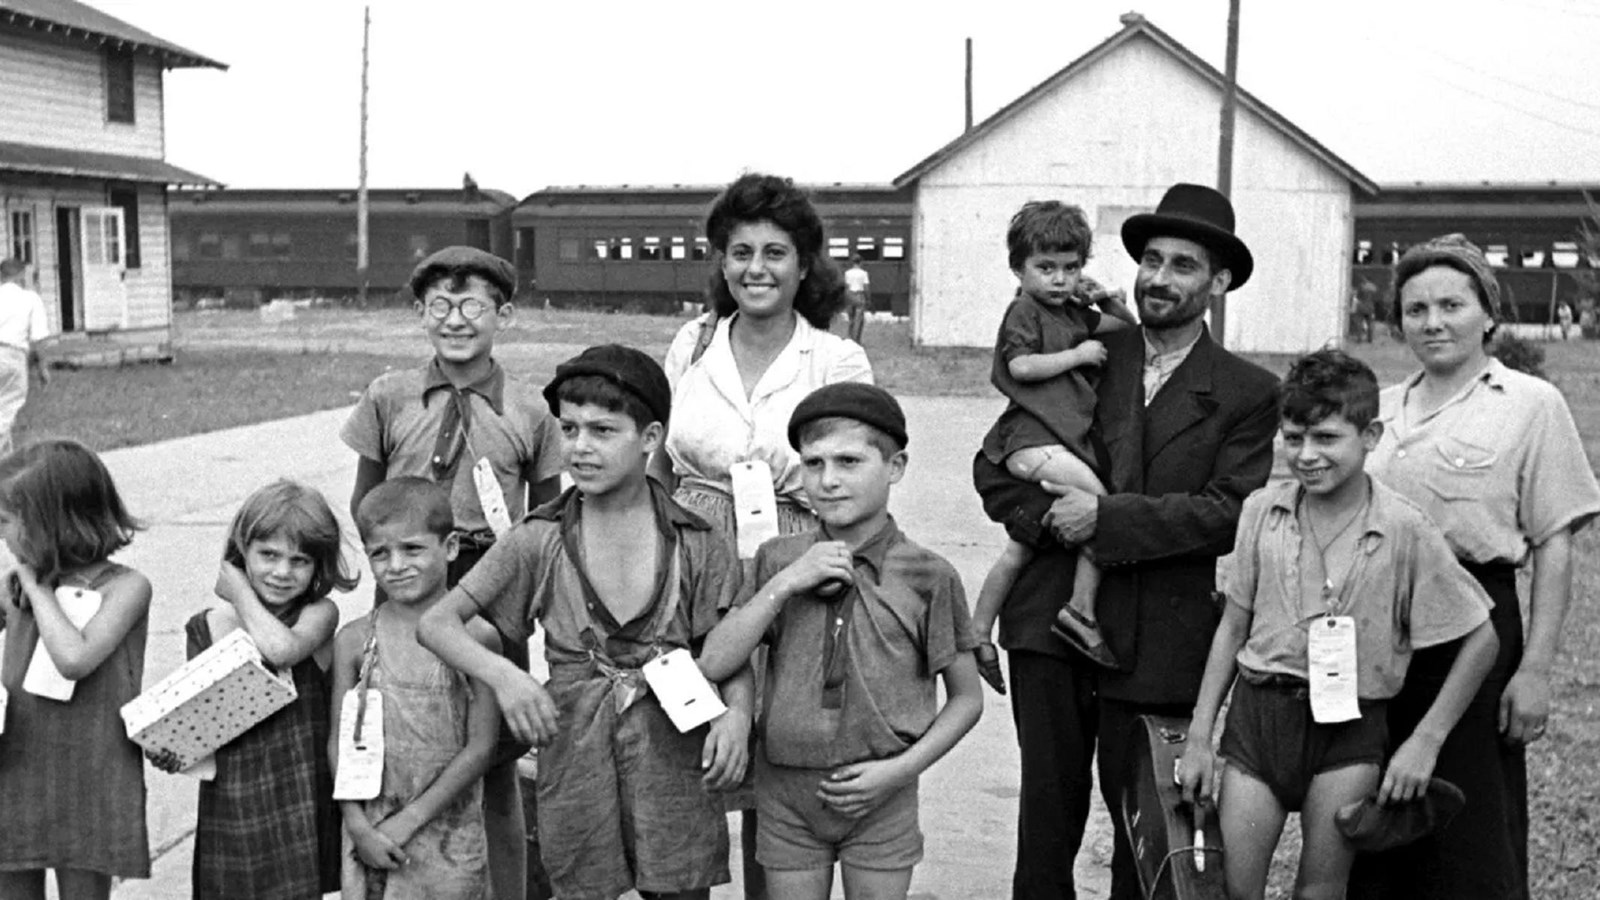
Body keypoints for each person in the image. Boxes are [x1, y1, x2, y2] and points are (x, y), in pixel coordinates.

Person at [972, 182, 1279, 900]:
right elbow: (997, 465)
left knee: (1147, 834)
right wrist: (1048, 517)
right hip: (1050, 622)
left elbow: (1226, 511)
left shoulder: (1247, 391)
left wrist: (1103, 521)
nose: (1159, 279)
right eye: (1150, 261)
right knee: (1046, 820)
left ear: (1220, 281)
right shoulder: (1087, 350)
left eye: (1182, 266)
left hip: (1160, 636)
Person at [419, 345, 752, 900]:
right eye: (569, 429)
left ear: (650, 438)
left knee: (680, 885)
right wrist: (508, 678)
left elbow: (724, 645)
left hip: (673, 753)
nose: (581, 448)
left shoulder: (697, 540)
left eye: (603, 430)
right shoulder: (540, 537)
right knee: (580, 885)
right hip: (574, 750)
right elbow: (438, 623)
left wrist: (737, 714)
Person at [1177, 349, 1498, 900]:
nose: (1306, 455)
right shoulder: (1261, 511)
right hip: (1260, 723)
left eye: (1326, 438)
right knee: (1232, 887)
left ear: (1370, 434)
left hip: (1350, 732)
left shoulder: (1404, 528)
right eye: (1293, 437)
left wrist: (1425, 739)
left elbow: (1481, 637)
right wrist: (1201, 735)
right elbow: (1232, 628)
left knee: (1322, 889)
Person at [1348, 234, 1600, 900]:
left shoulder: (1529, 404)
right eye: (1416, 308)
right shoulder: (1380, 406)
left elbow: (1555, 542)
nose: (1432, 322)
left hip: (1474, 629)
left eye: (1451, 304)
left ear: (1488, 313)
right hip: (1374, 633)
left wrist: (1537, 670)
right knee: (1377, 821)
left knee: (1470, 828)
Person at [657, 172, 872, 900]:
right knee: (690, 741)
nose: (757, 268)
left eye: (775, 252)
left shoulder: (833, 358)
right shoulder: (691, 345)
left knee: (777, 758)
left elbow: (857, 476)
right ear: (720, 260)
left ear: (805, 264)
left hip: (795, 553)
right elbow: (659, 461)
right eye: (740, 250)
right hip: (694, 550)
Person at [697, 382, 984, 900]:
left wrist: (898, 772)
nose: (828, 481)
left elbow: (967, 699)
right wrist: (785, 584)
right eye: (813, 464)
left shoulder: (929, 575)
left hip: (881, 794)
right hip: (786, 791)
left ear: (895, 467)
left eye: (849, 462)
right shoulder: (776, 560)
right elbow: (717, 660)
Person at [341, 244, 563, 900]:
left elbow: (547, 521)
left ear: (505, 313)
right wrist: (400, 565)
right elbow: (365, 501)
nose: (455, 320)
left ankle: (505, 889)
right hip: (408, 582)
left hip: (492, 593)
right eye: (439, 305)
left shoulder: (531, 412)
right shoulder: (388, 397)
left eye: (472, 305)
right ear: (420, 314)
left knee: (491, 757)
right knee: (401, 734)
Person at [970, 200, 1138, 689]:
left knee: (1020, 549)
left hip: (1051, 443)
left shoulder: (1072, 312)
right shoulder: (1024, 310)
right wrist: (1077, 355)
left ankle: (979, 630)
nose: (1059, 280)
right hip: (1033, 440)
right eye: (1045, 268)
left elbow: (1126, 329)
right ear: (1018, 269)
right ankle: (1080, 612)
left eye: (1070, 268)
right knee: (1101, 510)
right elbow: (1020, 367)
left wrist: (1104, 297)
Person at [167, 480, 355, 900]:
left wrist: (237, 588)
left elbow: (282, 650)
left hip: (298, 795)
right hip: (233, 799)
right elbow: (198, 721)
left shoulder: (317, 614)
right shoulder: (207, 626)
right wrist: (173, 746)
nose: (282, 572)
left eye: (299, 560)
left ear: (318, 567)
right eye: (268, 555)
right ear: (243, 550)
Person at [0, 440, 152, 900]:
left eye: (8, 522)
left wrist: (35, 585)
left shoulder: (126, 588)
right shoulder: (12, 588)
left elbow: (74, 658)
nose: (1, 534)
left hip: (93, 769)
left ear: (50, 524)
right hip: (18, 761)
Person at [334, 478, 499, 899]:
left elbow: (481, 748)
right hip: (371, 835)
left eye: (412, 548)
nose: (395, 565)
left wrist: (410, 820)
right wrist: (356, 824)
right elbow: (339, 742)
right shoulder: (354, 641)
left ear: (450, 547)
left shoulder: (477, 638)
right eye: (379, 553)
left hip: (449, 836)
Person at [0, 258, 51, 455]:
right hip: (12, 356)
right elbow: (38, 338)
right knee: (7, 411)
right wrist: (42, 368)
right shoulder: (30, 298)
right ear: (21, 276)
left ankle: (5, 465)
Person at [842, 255, 870, 343]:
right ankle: (856, 340)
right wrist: (868, 298)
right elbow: (866, 287)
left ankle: (850, 338)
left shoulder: (847, 273)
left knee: (851, 318)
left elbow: (846, 286)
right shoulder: (863, 273)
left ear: (852, 262)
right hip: (859, 295)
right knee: (859, 319)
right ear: (860, 262)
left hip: (850, 294)